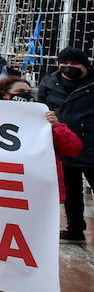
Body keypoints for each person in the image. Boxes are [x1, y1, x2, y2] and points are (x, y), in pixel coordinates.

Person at [0, 76, 85, 216]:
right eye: (20, 91)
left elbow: (73, 148)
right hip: (1, 188)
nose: (25, 95)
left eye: (29, 92)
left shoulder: (43, 118)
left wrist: (56, 127)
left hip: (35, 188)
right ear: (5, 95)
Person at [38, 47, 94, 243]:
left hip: (91, 145)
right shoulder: (50, 81)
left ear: (85, 65)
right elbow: (41, 106)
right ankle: (75, 229)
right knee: (71, 193)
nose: (69, 67)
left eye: (74, 64)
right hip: (65, 144)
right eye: (65, 63)